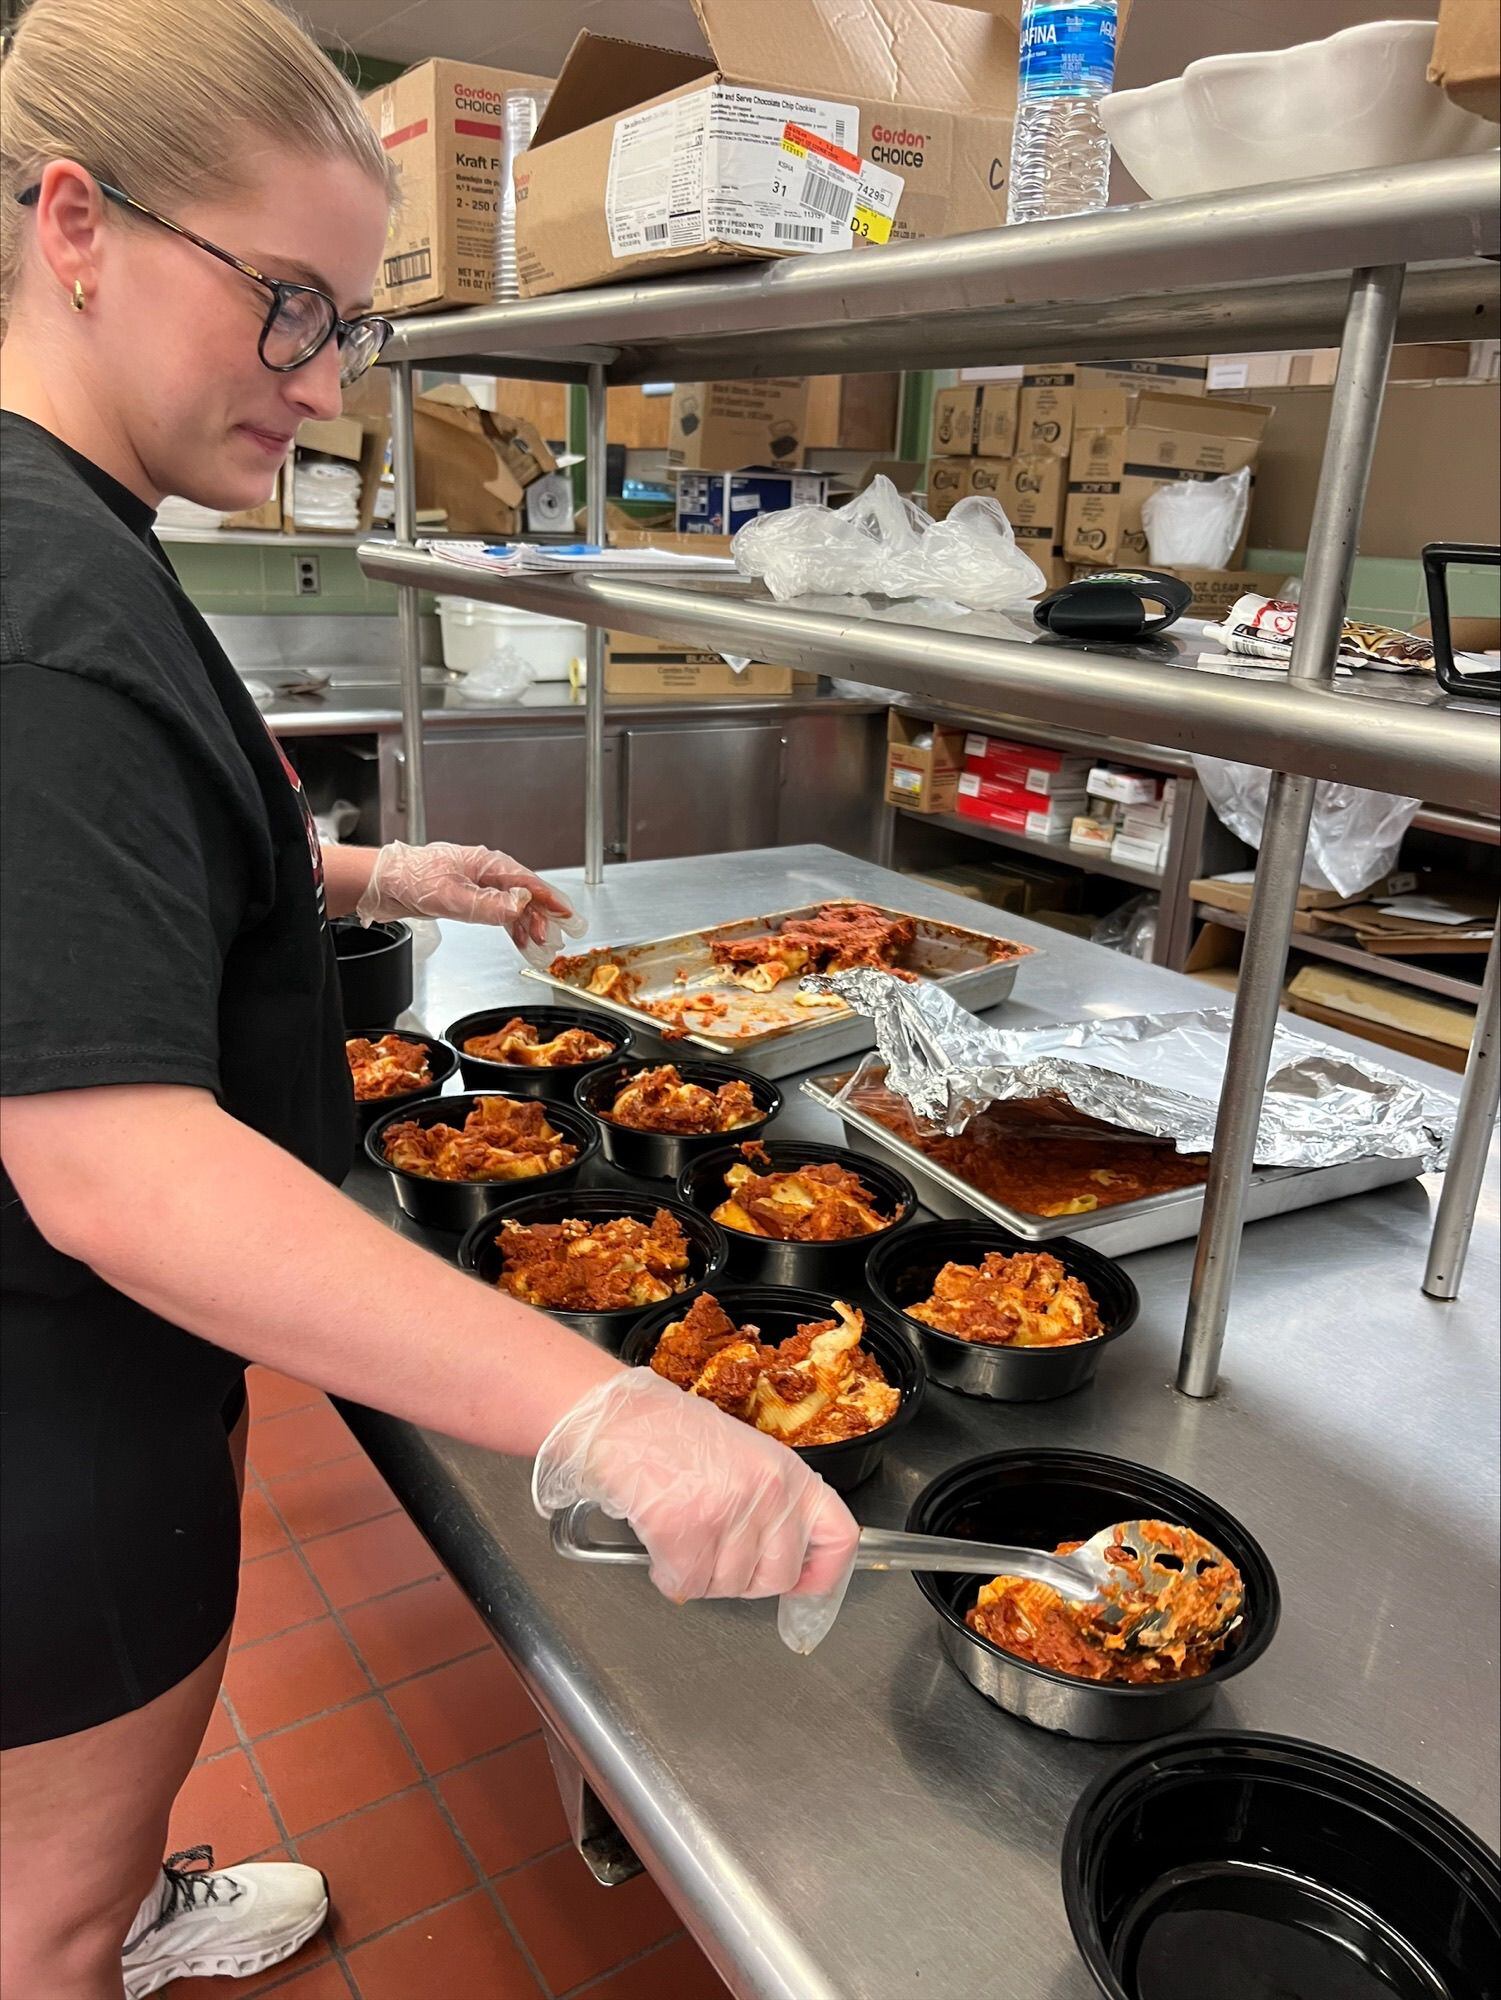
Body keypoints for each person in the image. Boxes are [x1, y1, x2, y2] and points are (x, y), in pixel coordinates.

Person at [0, 4, 860, 1995]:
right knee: (39, 1916)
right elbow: (111, 1162)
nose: (322, 381)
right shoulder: (43, 607)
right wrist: (609, 1413)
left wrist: (370, 875)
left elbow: (95, 888)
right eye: (287, 303)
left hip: (110, 1380)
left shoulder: (79, 533)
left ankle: (124, 1900)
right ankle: (94, 1929)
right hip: (53, 1416)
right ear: (76, 223)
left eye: (352, 324)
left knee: (69, 1867)